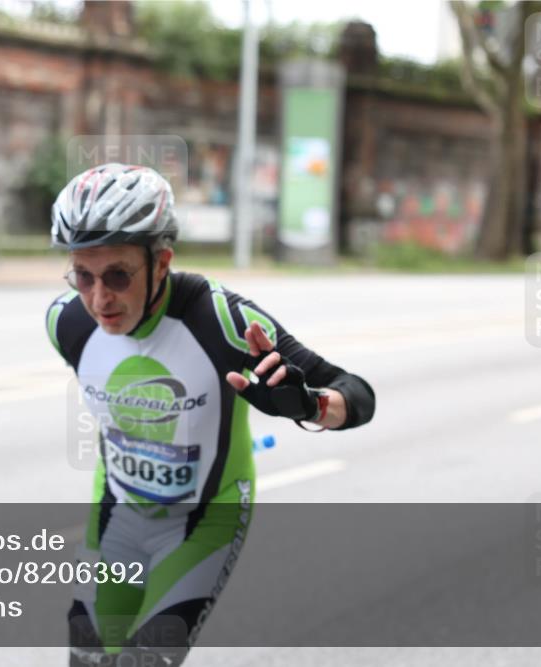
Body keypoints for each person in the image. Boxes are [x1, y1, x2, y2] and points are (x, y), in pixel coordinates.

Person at [45, 163, 376, 666]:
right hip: (118, 515)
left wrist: (309, 405)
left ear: (162, 262)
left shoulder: (221, 319)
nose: (98, 298)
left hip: (205, 521)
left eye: (117, 275)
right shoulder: (65, 324)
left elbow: (356, 393)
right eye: (82, 276)